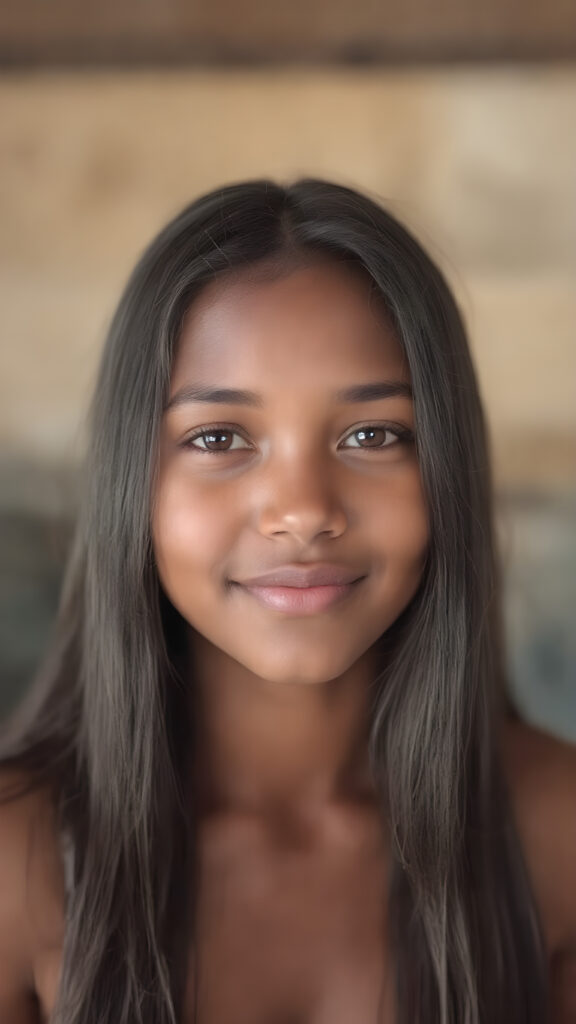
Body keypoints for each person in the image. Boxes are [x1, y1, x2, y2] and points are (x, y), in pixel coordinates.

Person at [0, 178, 574, 1024]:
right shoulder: (20, 855)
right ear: (133, 485)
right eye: (219, 438)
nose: (303, 510)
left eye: (373, 435)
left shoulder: (555, 831)